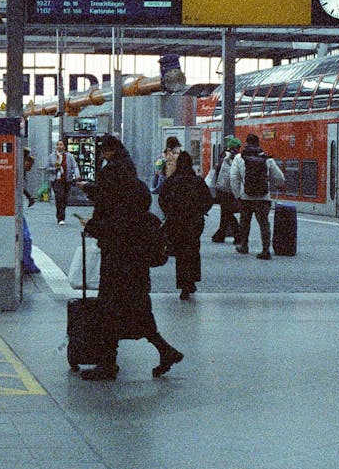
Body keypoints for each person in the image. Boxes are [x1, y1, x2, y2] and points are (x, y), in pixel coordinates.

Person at [80, 134, 182, 380]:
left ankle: (107, 364)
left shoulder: (113, 179)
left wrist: (92, 225)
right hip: (136, 261)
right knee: (138, 310)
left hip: (117, 259)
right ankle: (164, 350)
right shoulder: (134, 183)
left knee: (108, 309)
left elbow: (113, 221)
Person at [157, 151, 215, 300]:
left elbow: (162, 199)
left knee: (180, 253)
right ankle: (192, 281)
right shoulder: (197, 181)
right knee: (193, 250)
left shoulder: (171, 181)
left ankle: (183, 285)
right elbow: (208, 200)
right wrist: (200, 212)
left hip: (176, 221)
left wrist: (169, 212)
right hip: (194, 222)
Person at [229, 132, 286, 259]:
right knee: (264, 223)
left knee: (244, 223)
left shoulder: (239, 158)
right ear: (258, 143)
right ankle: (265, 249)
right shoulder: (266, 158)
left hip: (246, 197)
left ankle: (244, 246)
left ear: (246, 143)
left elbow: (234, 178)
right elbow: (280, 177)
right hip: (263, 197)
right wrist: (275, 185)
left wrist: (237, 195)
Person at [206, 136, 242, 244]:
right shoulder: (238, 157)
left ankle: (235, 235)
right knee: (226, 213)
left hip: (224, 189)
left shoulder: (225, 156)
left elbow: (218, 170)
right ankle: (221, 234)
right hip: (232, 188)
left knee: (226, 213)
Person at [48, 139, 80, 226]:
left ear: (64, 146)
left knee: (65, 199)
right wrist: (55, 169)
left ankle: (62, 212)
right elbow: (48, 168)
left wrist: (77, 175)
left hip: (66, 180)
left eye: (61, 145)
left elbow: (75, 166)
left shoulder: (69, 156)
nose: (59, 146)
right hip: (56, 180)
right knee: (59, 198)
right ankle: (60, 218)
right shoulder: (52, 156)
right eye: (58, 145)